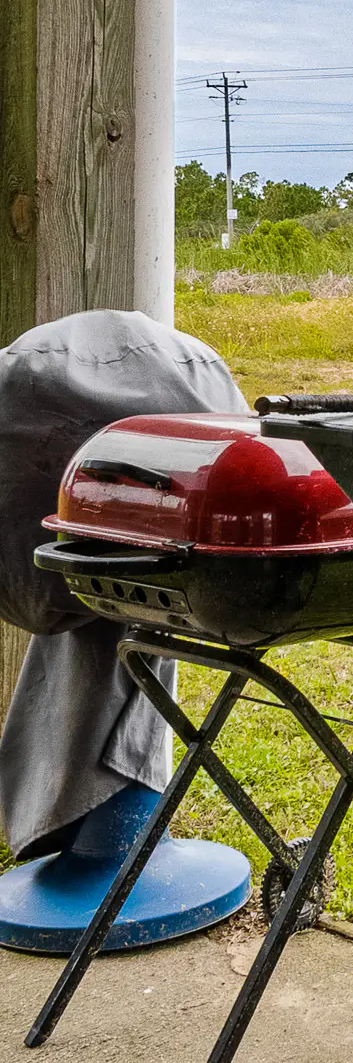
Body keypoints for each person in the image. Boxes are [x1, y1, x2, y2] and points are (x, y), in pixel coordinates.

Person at [0, 310, 247, 861]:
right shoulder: (191, 374)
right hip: (166, 549)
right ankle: (96, 835)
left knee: (111, 608)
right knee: (135, 606)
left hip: (39, 538)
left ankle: (67, 822)